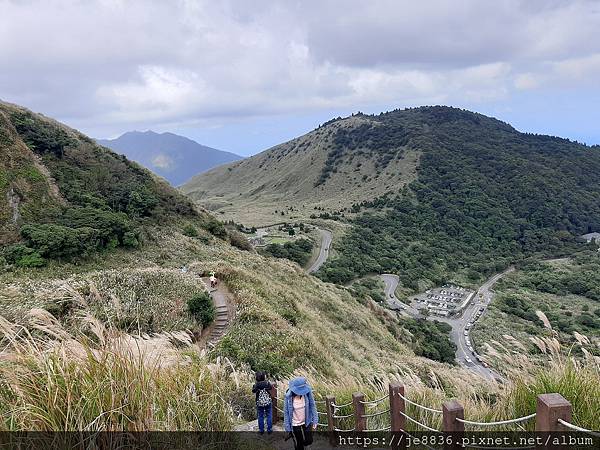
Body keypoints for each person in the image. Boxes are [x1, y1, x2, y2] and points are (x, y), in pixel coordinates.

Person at [283, 376, 317, 450]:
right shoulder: (288, 397)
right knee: (299, 442)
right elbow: (286, 412)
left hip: (306, 421)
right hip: (295, 423)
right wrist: (287, 427)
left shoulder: (307, 393)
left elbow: (312, 405)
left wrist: (315, 420)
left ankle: (303, 445)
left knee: (309, 440)